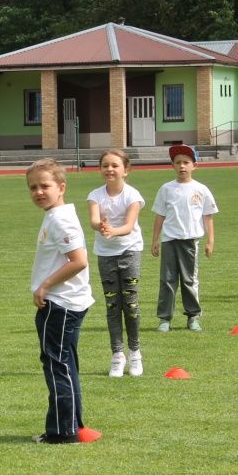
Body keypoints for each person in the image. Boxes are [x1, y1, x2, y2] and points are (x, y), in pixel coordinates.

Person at [26, 159, 100, 444]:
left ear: (61, 187)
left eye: (45, 186)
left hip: (59, 304)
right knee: (66, 364)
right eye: (33, 187)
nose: (39, 192)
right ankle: (74, 425)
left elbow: (78, 261)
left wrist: (44, 285)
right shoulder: (55, 215)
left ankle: (62, 431)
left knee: (57, 365)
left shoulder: (61, 219)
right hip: (66, 302)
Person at [86, 149, 145, 377]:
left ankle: (135, 353)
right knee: (112, 306)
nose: (109, 169)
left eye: (115, 165)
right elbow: (93, 220)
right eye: (105, 165)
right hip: (105, 254)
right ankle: (117, 356)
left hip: (129, 251)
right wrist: (100, 226)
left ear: (126, 171)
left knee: (130, 304)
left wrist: (113, 230)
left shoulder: (133, 195)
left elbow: (129, 226)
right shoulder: (95, 195)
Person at [151, 145, 218, 332]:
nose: (182, 166)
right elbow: (160, 215)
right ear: (172, 165)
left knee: (189, 280)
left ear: (194, 165)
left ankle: (193, 316)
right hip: (169, 241)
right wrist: (155, 240)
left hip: (190, 241)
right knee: (167, 280)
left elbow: (208, 216)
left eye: (186, 163)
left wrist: (210, 241)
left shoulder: (201, 189)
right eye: (178, 162)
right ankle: (165, 318)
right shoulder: (166, 189)